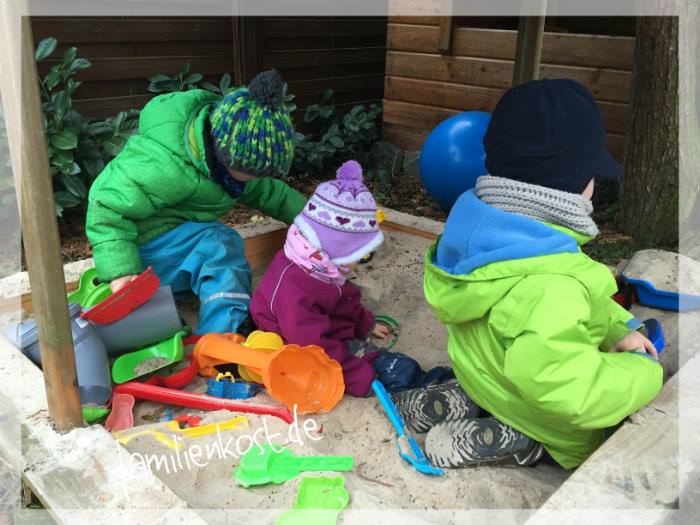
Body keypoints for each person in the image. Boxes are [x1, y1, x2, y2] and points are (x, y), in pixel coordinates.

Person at [396, 78, 663, 469]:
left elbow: (561, 310)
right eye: (592, 175)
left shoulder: (480, 233)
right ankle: (523, 441)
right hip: (535, 409)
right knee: (569, 429)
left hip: (485, 372)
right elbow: (572, 393)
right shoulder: (552, 285)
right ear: (572, 185)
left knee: (506, 360)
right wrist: (641, 373)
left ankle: (469, 396)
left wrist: (617, 329)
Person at [85, 69, 306, 334]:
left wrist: (313, 220)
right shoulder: (164, 164)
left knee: (214, 244)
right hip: (140, 252)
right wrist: (121, 270)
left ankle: (186, 296)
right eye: (254, 173)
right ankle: (221, 335)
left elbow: (270, 192)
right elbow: (106, 204)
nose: (258, 179)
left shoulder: (225, 160)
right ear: (226, 155)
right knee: (218, 246)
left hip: (172, 243)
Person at [250, 160, 391, 397]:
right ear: (335, 249)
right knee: (309, 359)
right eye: (357, 254)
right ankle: (352, 363)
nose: (359, 261)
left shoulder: (321, 264)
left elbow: (344, 298)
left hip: (311, 316)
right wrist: (357, 376)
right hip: (286, 332)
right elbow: (313, 347)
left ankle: (352, 345)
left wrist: (366, 323)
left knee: (346, 294)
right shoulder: (295, 289)